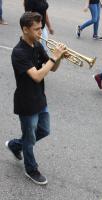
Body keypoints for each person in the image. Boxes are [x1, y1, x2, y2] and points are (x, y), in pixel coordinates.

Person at [5, 12, 67, 185]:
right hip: (26, 102)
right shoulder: (18, 52)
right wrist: (54, 56)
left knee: (44, 130)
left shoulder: (37, 45)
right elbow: (38, 76)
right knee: (30, 138)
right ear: (25, 29)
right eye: (37, 29)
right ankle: (31, 169)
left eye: (42, 28)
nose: (41, 32)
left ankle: (16, 145)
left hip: (40, 97)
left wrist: (59, 57)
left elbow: (52, 68)